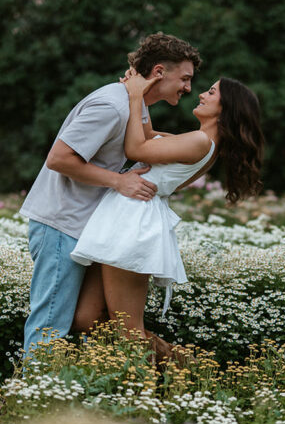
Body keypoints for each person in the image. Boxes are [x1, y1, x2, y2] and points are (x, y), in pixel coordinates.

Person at [20, 32, 202, 359]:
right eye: (185, 78)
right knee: (49, 323)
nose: (188, 88)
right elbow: (59, 159)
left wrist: (207, 142)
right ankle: (34, 401)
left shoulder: (135, 105)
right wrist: (119, 182)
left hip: (81, 226)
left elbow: (149, 140)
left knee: (80, 322)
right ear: (159, 71)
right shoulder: (111, 105)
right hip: (61, 225)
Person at [69, 69, 265, 348]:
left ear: (227, 109)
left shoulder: (199, 142)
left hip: (132, 220)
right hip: (124, 213)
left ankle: (148, 386)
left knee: (127, 328)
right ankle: (177, 360)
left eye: (211, 92)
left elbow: (136, 149)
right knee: (87, 319)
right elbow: (146, 134)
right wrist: (143, 95)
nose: (200, 93)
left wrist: (135, 95)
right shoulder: (198, 140)